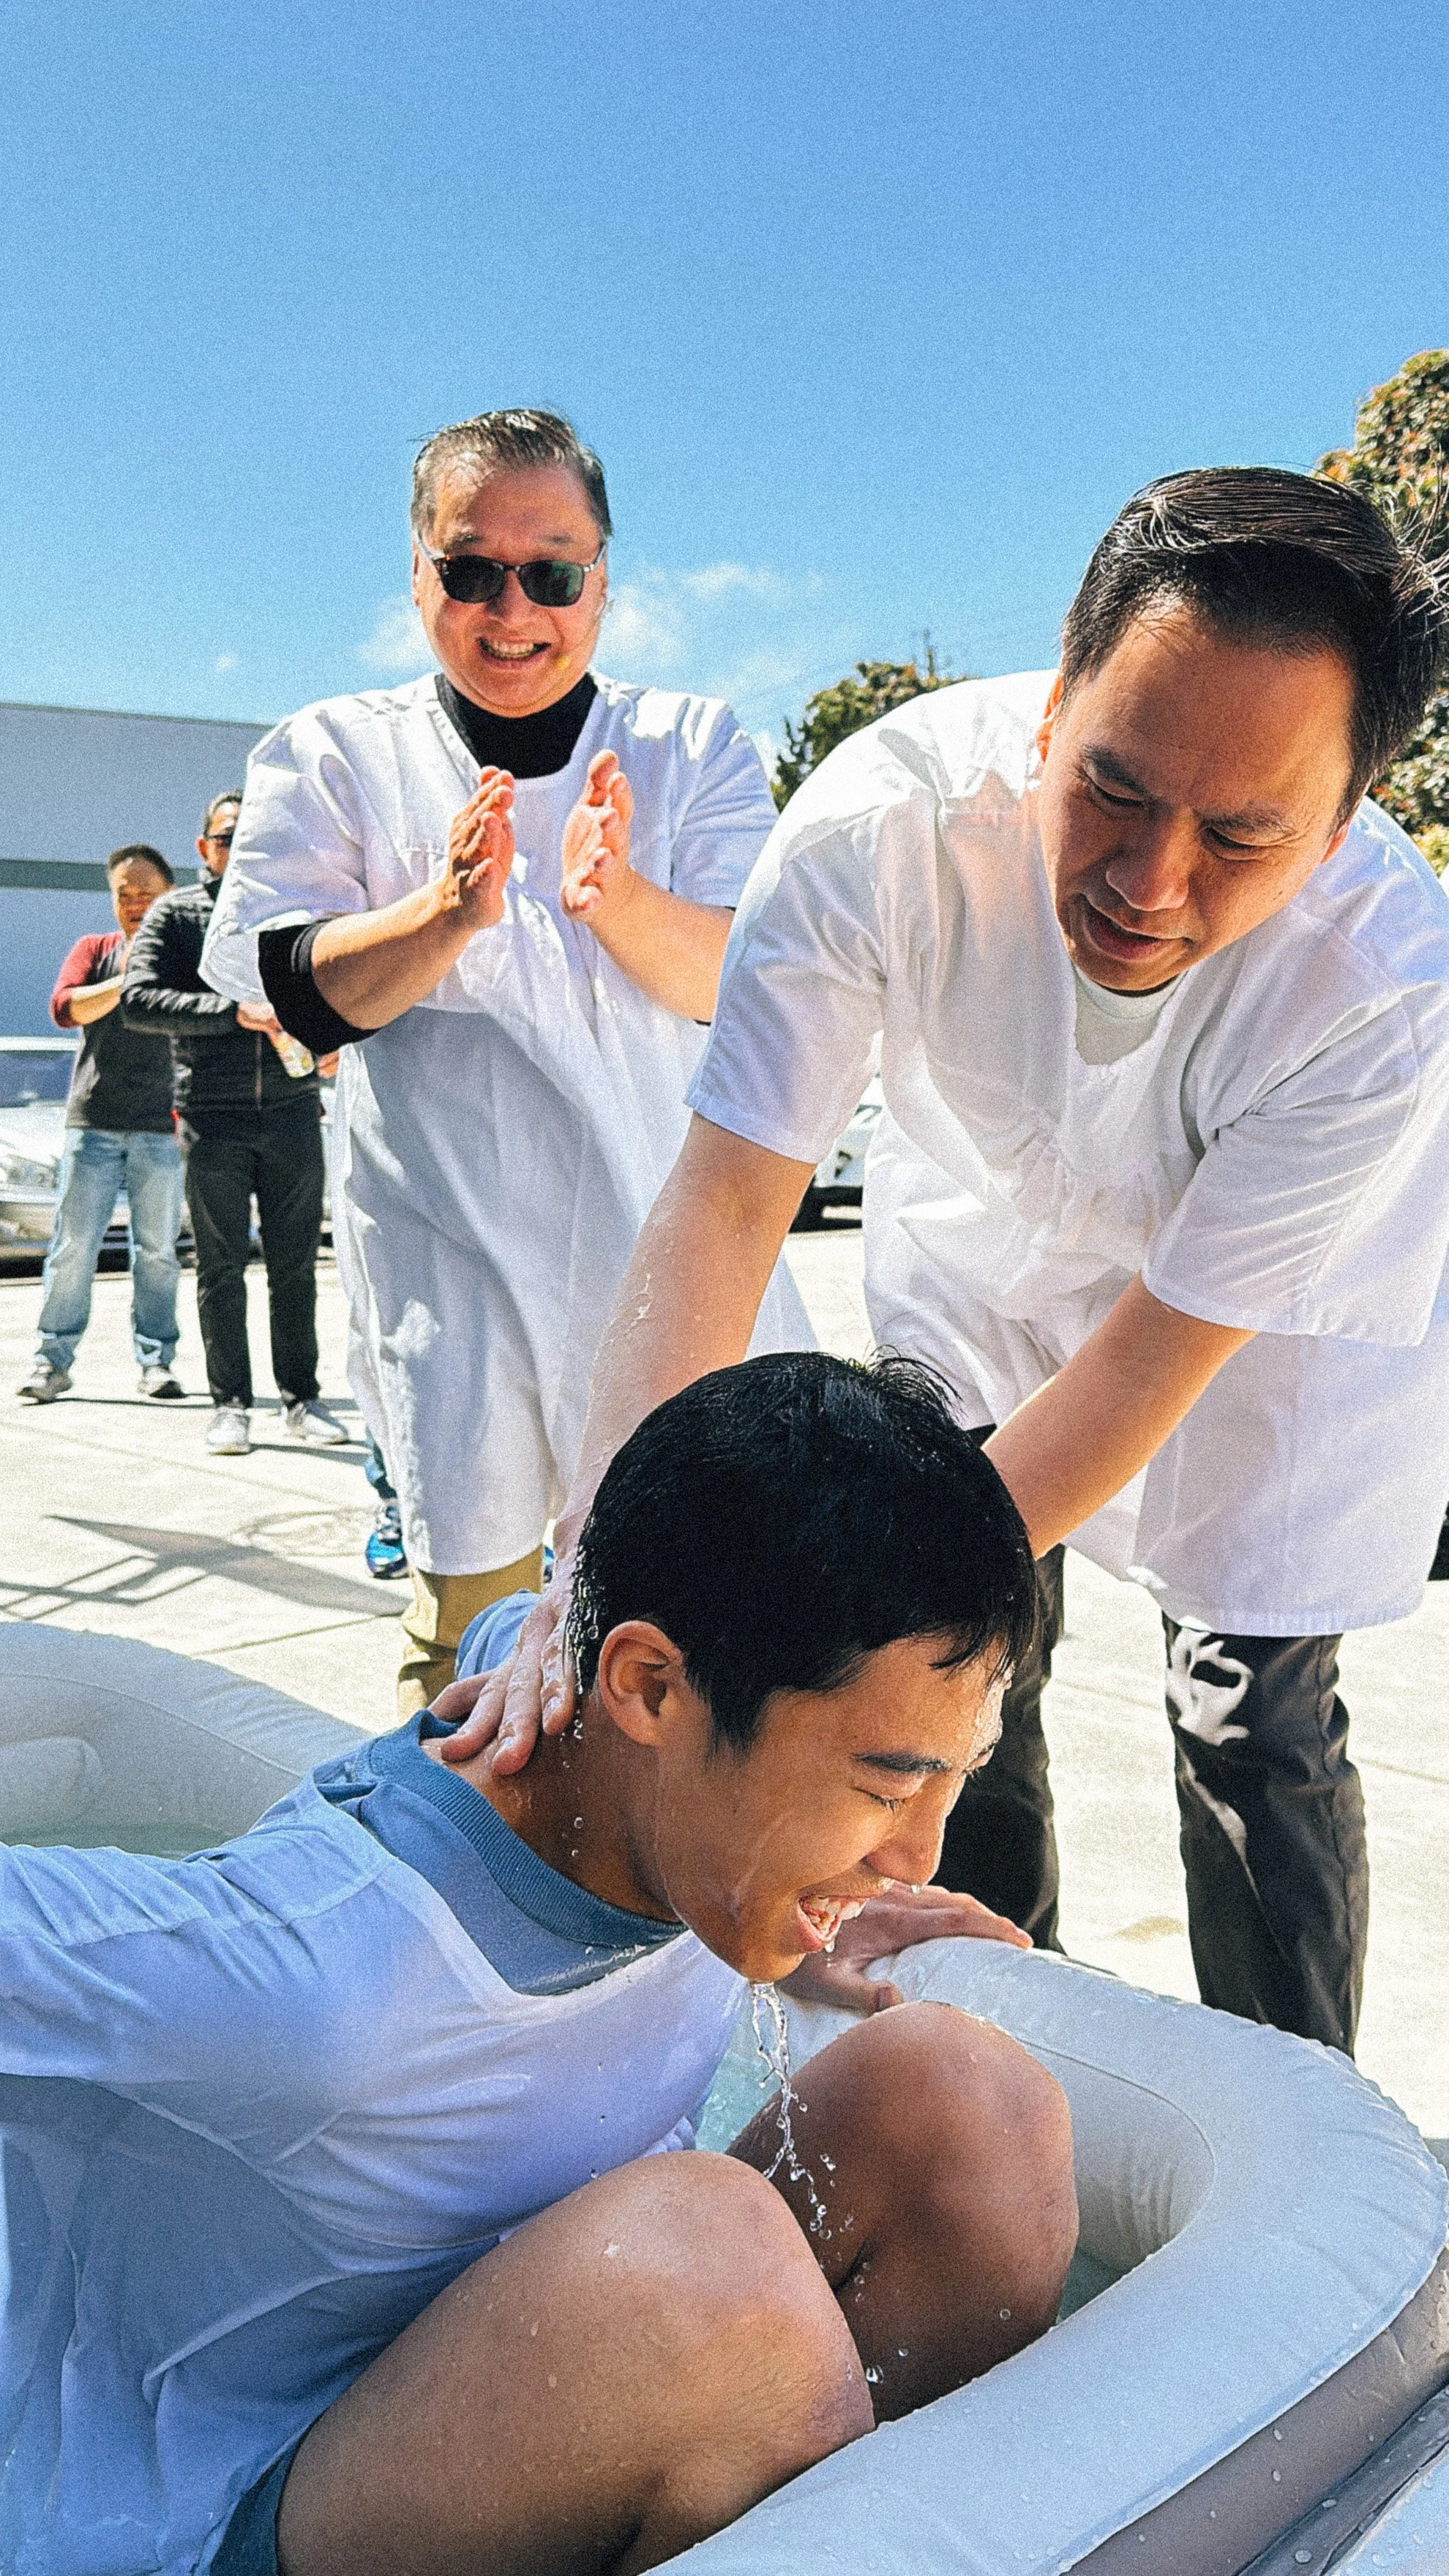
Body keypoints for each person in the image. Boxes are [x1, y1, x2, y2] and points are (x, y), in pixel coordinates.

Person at [452, 468, 1449, 2059]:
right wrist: (604, 1579)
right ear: (1053, 707)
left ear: (1339, 827)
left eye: (1241, 834)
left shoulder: (1385, 988)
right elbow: (720, 1206)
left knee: (1248, 1707)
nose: (1148, 881)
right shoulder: (875, 827)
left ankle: (1294, 2101)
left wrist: (808, 1645)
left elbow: (1150, 1357)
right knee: (978, 1683)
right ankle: (983, 2049)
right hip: (991, 1236)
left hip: (1268, 1335)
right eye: (1113, 789)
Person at [0, 1352, 1077, 2576]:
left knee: (972, 2111)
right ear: (649, 1689)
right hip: (236, 2514)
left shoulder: (597, 1713)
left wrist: (808, 1906)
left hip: (538, 2380)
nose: (919, 1853)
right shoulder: (315, 1963)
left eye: (949, 1777)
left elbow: (548, 1611)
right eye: (884, 1781)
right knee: (709, 2263)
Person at [199, 408, 808, 1711]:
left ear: (604, 577)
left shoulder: (689, 744)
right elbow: (289, 987)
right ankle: (438, 1903)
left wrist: (619, 902)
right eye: (471, 570)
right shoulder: (332, 753)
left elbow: (735, 983)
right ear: (420, 575)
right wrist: (444, 913)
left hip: (666, 1254)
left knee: (693, 1641)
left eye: (555, 571)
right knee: (465, 1641)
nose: (513, 606)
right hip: (448, 1253)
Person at [122, 793, 346, 1458]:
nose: (236, 848)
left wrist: (332, 1034)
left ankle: (300, 1398)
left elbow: (340, 987)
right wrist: (232, 1011)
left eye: (249, 837)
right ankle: (230, 1405)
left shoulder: (293, 911)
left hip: (292, 1108)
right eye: (225, 838)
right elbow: (138, 999)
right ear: (203, 849)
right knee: (220, 1266)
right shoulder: (176, 913)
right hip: (212, 1114)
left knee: (296, 1265)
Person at [17, 844, 186, 1404]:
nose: (135, 903)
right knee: (73, 1246)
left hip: (162, 1128)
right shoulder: (95, 950)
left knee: (158, 1251)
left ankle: (156, 1362)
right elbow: (66, 1008)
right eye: (124, 894)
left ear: (168, 895)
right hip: (93, 1123)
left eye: (147, 893)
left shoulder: (185, 957)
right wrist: (129, 976)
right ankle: (52, 1361)